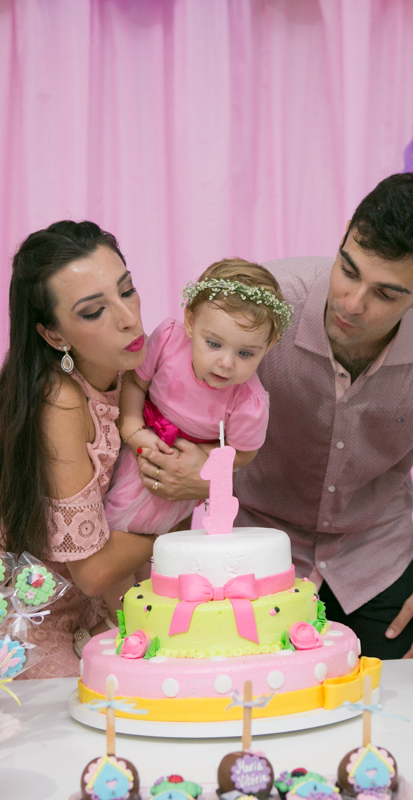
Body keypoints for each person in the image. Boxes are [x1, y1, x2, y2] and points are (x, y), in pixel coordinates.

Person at [137, 173, 413, 659]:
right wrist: (198, 472)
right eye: (348, 269)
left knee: (398, 700)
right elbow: (179, 388)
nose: (352, 302)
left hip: (376, 558)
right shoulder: (263, 304)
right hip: (256, 551)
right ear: (345, 235)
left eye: (386, 294)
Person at [0, 220, 158, 678]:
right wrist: (183, 505)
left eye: (128, 290)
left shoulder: (133, 371)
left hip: (113, 616)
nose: (128, 317)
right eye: (94, 311)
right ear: (54, 336)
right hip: (40, 633)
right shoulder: (58, 402)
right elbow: (92, 573)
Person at [96, 259, 291, 621]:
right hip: (137, 448)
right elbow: (135, 382)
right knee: (109, 530)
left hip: (184, 473)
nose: (226, 363)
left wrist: (202, 459)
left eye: (245, 353)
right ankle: (118, 618)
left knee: (155, 551)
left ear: (270, 345)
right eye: (213, 343)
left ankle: (137, 620)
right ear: (189, 322)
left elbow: (244, 453)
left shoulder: (249, 401)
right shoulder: (169, 340)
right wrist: (134, 428)